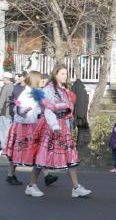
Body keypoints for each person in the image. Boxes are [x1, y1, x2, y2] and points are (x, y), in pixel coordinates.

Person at [34, 64, 91, 198]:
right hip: (52, 127)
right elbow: (48, 109)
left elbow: (67, 109)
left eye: (66, 74)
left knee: (70, 156)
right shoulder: (48, 90)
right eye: (62, 74)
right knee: (42, 158)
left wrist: (66, 121)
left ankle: (76, 187)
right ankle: (31, 185)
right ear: (55, 74)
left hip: (63, 127)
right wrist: (55, 126)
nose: (65, 76)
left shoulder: (63, 90)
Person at [4, 71, 48, 196]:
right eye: (40, 79)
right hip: (26, 127)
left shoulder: (35, 92)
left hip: (32, 126)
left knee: (34, 155)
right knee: (30, 154)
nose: (42, 81)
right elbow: (19, 111)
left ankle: (28, 182)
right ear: (35, 80)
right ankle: (30, 184)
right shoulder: (27, 94)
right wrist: (28, 112)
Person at [0, 72, 22, 185]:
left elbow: (1, 101)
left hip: (5, 114)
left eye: (3, 78)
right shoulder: (14, 87)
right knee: (8, 134)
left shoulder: (5, 87)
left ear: (5, 78)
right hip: (12, 115)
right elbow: (17, 101)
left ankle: (5, 153)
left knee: (4, 134)